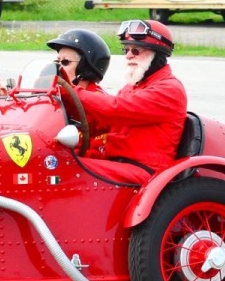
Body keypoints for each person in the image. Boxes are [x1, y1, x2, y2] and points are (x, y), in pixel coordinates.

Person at [73, 19, 188, 185]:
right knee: (58, 159)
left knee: (70, 169)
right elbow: (103, 122)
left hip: (145, 170)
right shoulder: (133, 86)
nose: (128, 56)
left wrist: (72, 93)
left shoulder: (169, 89)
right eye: (126, 49)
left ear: (157, 54)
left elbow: (114, 110)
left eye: (135, 50)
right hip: (120, 161)